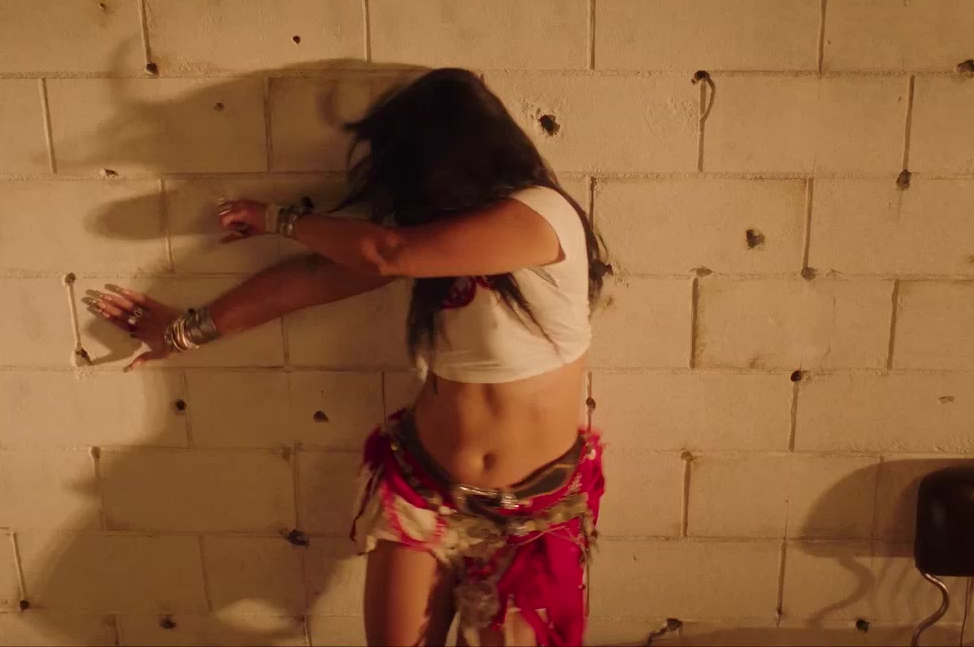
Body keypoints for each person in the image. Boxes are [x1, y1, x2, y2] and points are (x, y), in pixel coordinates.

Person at [89, 68, 609, 646]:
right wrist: (182, 332)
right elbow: (310, 281)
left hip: (532, 514)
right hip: (424, 490)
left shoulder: (541, 214)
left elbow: (388, 253)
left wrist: (277, 218)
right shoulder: (431, 242)